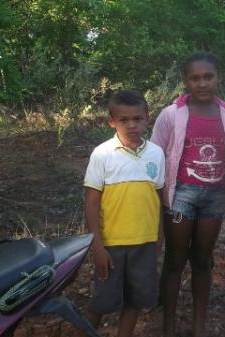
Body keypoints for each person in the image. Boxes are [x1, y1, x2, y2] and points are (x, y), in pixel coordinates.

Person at [151, 52, 225, 337]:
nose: (202, 83)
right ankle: (169, 325)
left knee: (202, 260)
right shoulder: (171, 114)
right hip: (181, 195)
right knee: (175, 260)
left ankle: (199, 326)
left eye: (208, 77)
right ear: (186, 81)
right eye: (195, 78)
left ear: (218, 78)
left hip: (214, 197)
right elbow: (155, 155)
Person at [83, 90, 165, 337]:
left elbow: (158, 198)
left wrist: (159, 237)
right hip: (112, 245)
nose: (131, 125)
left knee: (136, 299)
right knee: (102, 301)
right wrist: (97, 246)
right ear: (111, 121)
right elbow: (91, 203)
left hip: (145, 243)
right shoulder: (103, 154)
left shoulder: (156, 154)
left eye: (137, 119)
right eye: (124, 120)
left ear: (147, 118)